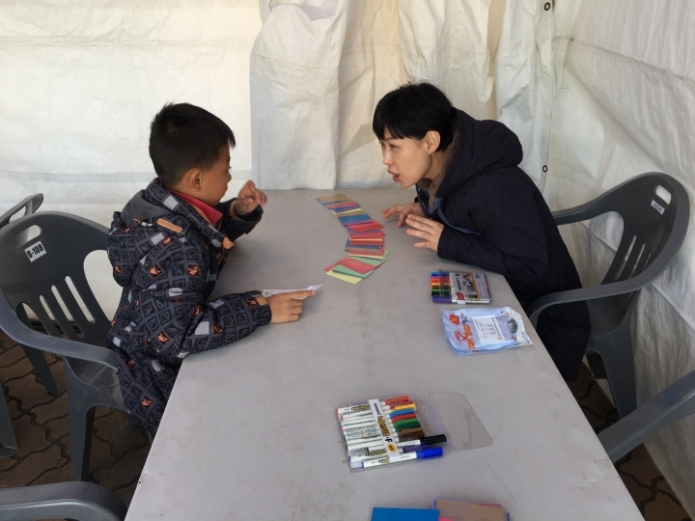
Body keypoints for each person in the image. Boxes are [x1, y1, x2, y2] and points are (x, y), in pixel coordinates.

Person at [105, 103, 314, 435]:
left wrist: (237, 212)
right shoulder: (180, 248)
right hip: (156, 380)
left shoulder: (160, 205)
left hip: (143, 337)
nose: (230, 177)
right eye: (226, 169)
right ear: (197, 179)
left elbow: (204, 234)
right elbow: (180, 336)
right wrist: (260, 308)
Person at [374, 82, 590, 381]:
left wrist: (448, 241)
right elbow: (459, 204)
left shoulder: (492, 188)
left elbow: (530, 266)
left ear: (430, 142)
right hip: (501, 292)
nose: (385, 159)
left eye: (393, 147)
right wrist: (425, 207)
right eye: (383, 146)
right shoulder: (449, 162)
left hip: (543, 321)